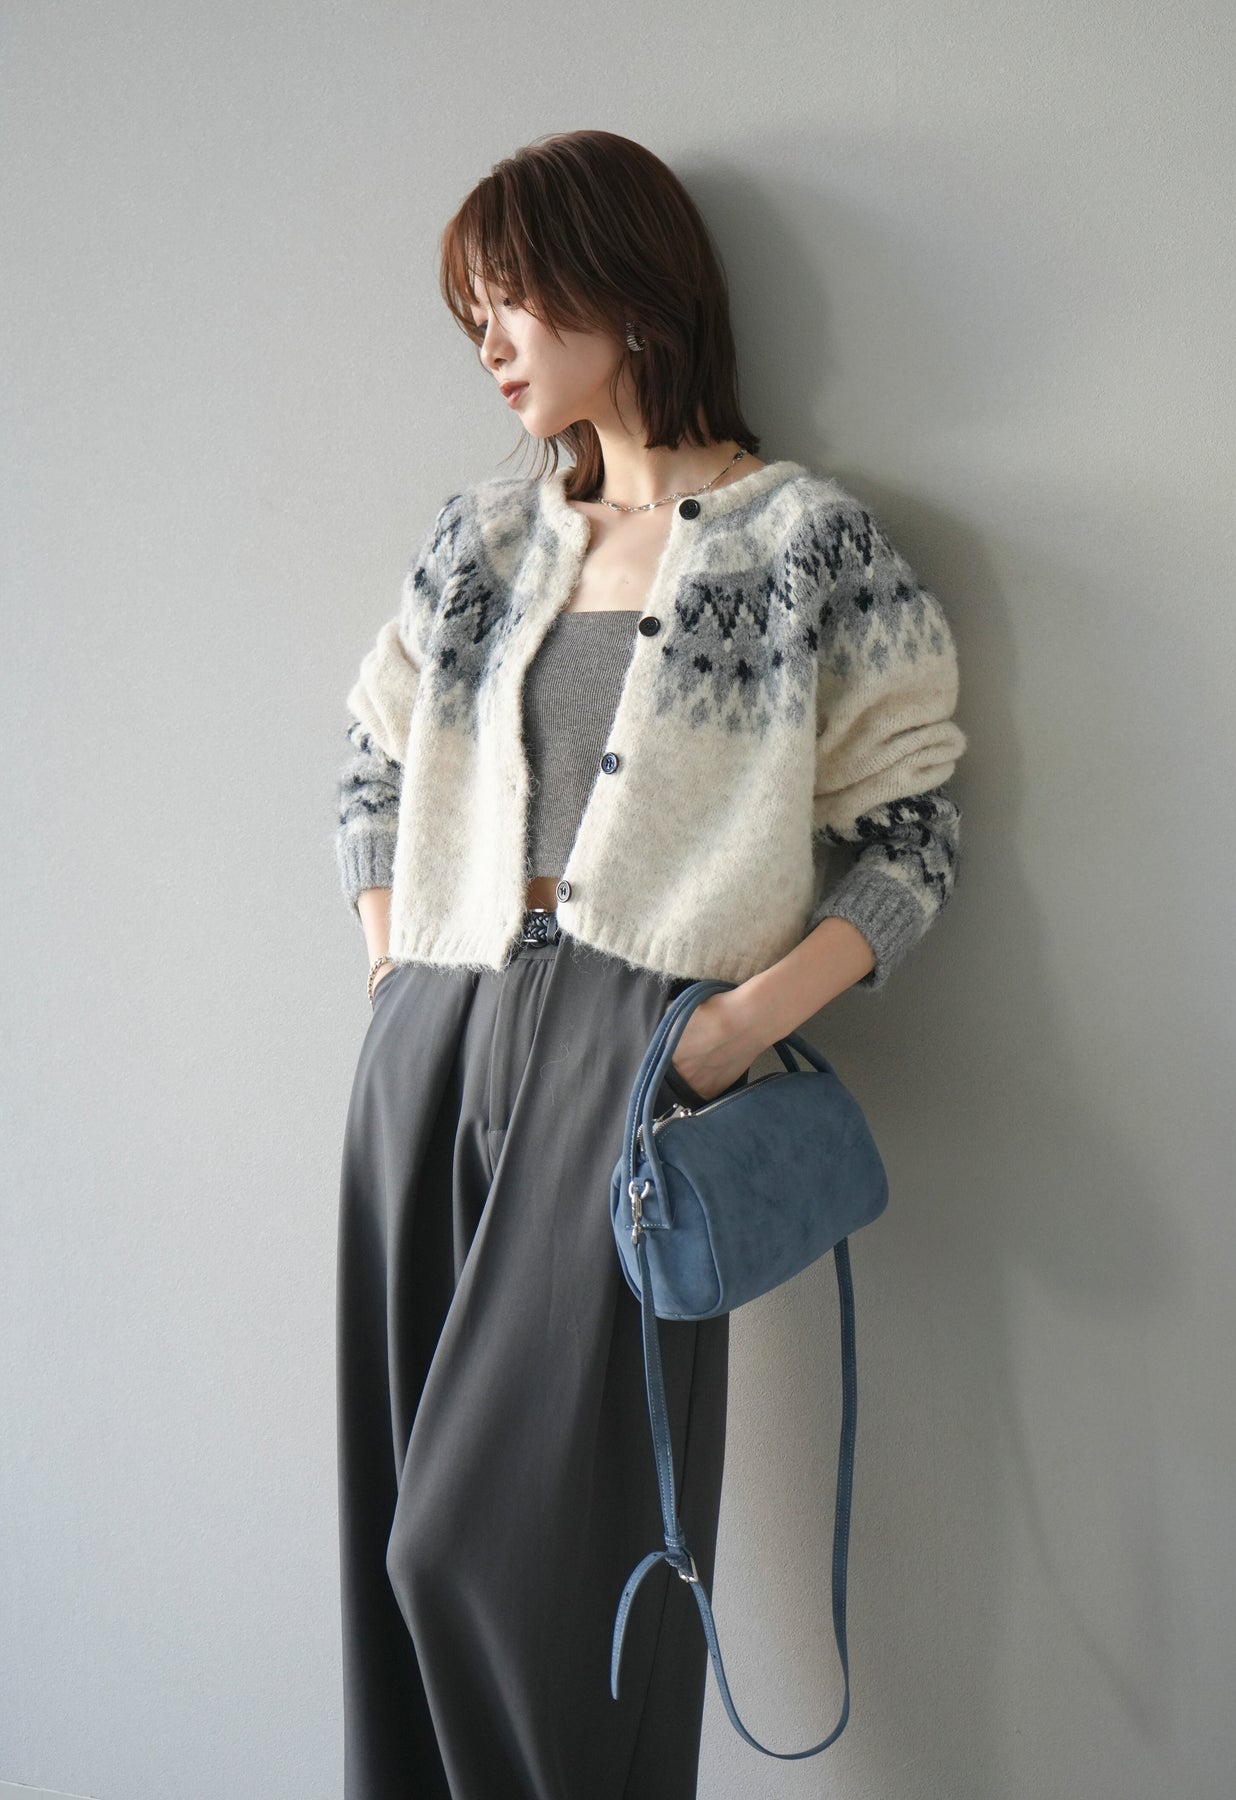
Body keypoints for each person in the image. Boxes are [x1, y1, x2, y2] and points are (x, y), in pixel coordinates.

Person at [332, 129, 968, 1800]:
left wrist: (727, 1031)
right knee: (392, 1549)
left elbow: (911, 840)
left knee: (494, 1557)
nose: (489, 341)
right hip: (434, 1035)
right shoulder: (480, 539)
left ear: (622, 287)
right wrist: (398, 977)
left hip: (633, 1055)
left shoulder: (805, 544)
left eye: (513, 298)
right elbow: (371, 771)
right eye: (470, 311)